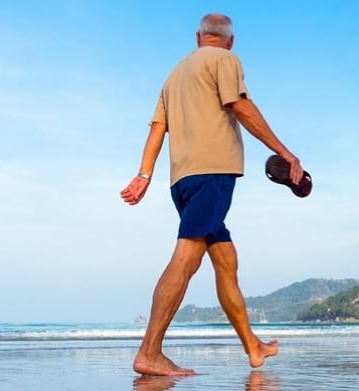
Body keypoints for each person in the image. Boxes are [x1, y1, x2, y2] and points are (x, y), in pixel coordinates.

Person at [120, 13, 305, 377]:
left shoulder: (174, 76)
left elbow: (158, 129)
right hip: (212, 173)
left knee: (225, 260)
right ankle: (149, 352)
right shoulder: (226, 60)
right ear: (230, 41)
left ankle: (252, 346)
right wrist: (285, 152)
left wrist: (144, 174)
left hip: (182, 181)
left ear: (198, 37)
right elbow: (240, 106)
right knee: (187, 257)